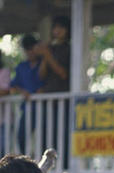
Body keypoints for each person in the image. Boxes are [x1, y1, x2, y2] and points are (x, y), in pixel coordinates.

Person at [34, 15, 71, 157]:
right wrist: (45, 56)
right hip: (48, 99)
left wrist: (47, 55)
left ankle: (65, 167)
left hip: (63, 100)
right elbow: (41, 75)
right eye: (55, 27)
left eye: (61, 27)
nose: (57, 30)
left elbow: (63, 73)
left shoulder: (68, 49)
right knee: (46, 136)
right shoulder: (50, 48)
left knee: (63, 136)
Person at [10, 35, 45, 155]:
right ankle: (26, 161)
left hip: (44, 108)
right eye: (27, 49)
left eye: (32, 48)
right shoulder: (22, 67)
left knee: (44, 138)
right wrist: (22, 91)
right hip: (28, 108)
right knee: (21, 137)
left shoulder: (43, 63)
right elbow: (13, 85)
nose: (30, 52)